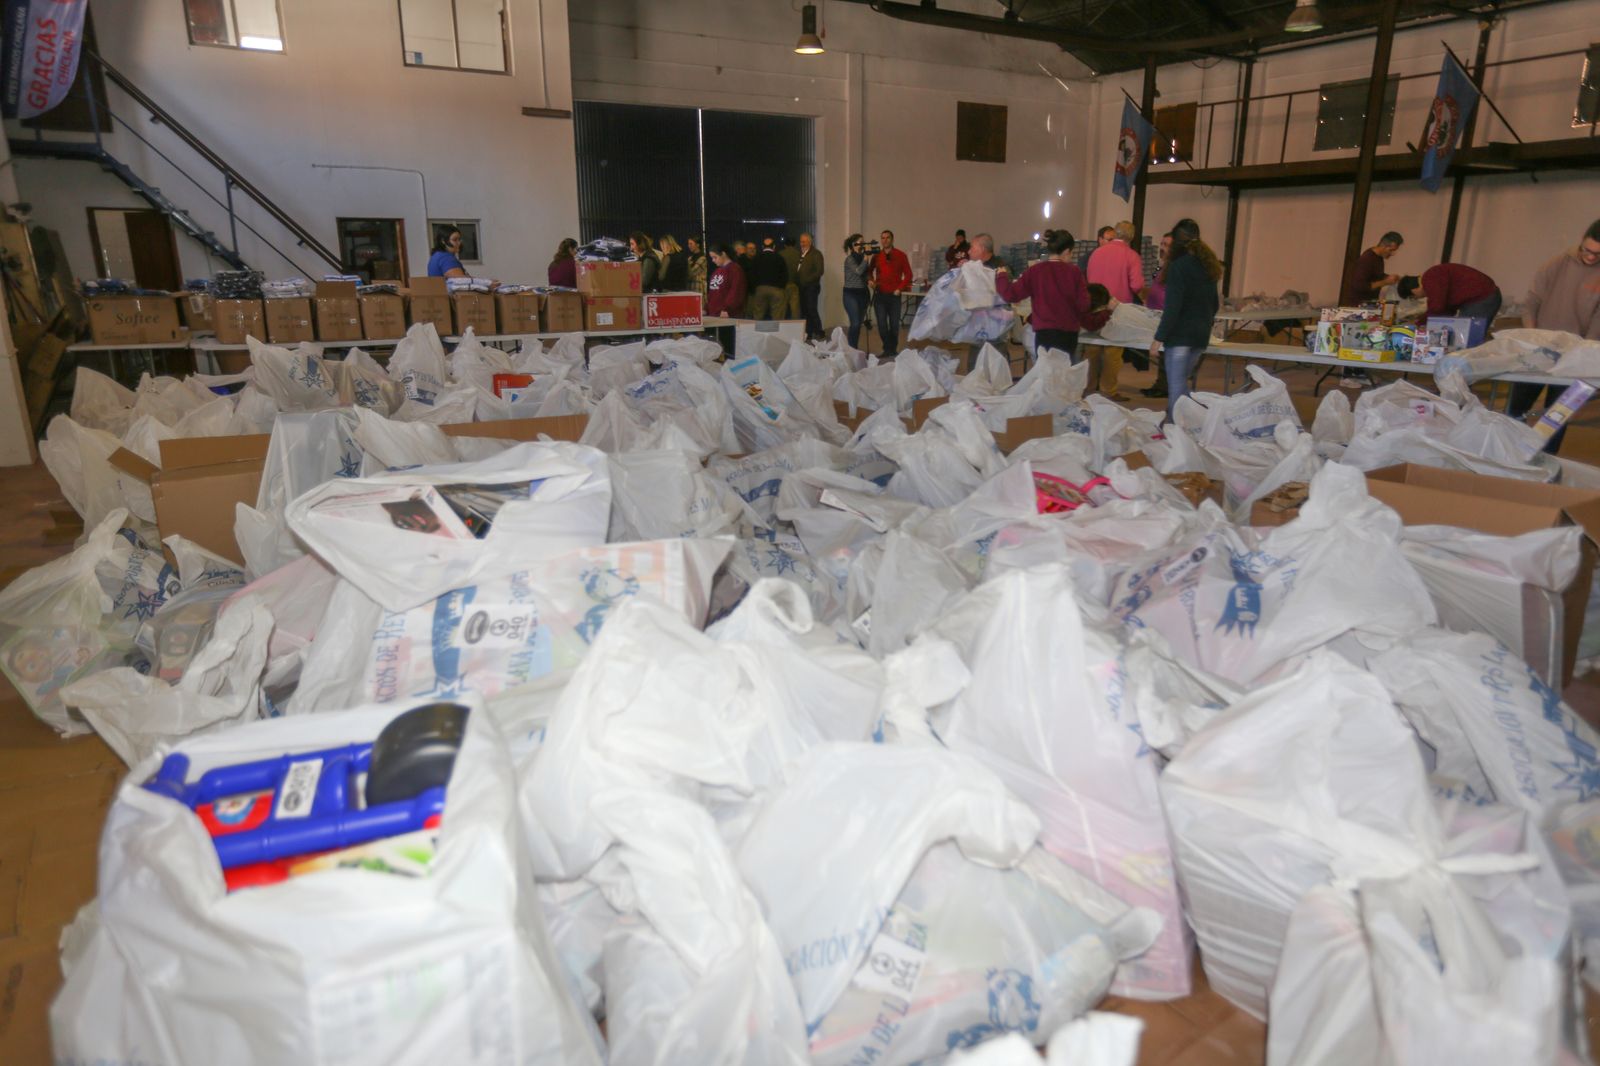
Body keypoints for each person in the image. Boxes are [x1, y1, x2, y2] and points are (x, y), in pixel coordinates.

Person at [1507, 219, 1600, 448]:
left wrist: (1584, 353)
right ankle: (1505, 451)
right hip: (1539, 349)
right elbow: (1531, 302)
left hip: (1574, 354)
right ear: (1581, 243)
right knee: (1516, 409)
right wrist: (1532, 337)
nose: (1590, 257)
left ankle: (1545, 463)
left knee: (1557, 416)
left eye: (1598, 254)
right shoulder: (1557, 263)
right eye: (1587, 250)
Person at [1150, 219, 1222, 423]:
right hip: (1200, 337)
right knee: (1180, 386)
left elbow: (1172, 308)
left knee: (1176, 390)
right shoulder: (1209, 266)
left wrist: (1158, 338)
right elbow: (1214, 304)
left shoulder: (1177, 268)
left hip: (1180, 337)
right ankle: (1180, 424)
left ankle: (1173, 429)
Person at [994, 228, 1095, 364]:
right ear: (1066, 252)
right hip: (1068, 334)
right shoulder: (1075, 272)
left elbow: (1010, 294)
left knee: (1046, 373)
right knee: (1064, 373)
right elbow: (1084, 305)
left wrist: (1001, 275)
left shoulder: (1035, 271)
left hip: (1044, 333)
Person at [1086, 221, 1145, 401]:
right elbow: (1136, 285)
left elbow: (1088, 278)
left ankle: (1088, 387)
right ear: (1132, 237)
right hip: (1117, 309)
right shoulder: (1132, 256)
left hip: (1094, 306)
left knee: (1092, 348)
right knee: (1113, 352)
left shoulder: (1096, 253)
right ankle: (1108, 390)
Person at [1397, 263, 1502, 322]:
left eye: (1413, 297)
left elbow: (1436, 307)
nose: (1418, 298)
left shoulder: (1431, 277)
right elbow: (1446, 309)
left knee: (1465, 338)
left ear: (1413, 290)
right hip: (1485, 297)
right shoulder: (1433, 277)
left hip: (1481, 299)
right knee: (1464, 337)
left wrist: (1418, 325)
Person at [870, 229, 914, 357]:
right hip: (880, 295)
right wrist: (871, 281)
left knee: (894, 326)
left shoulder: (901, 255)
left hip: (894, 296)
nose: (885, 240)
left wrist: (900, 288)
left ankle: (891, 350)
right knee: (882, 325)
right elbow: (869, 271)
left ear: (892, 239)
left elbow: (908, 275)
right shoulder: (877, 256)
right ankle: (887, 349)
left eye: (887, 238)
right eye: (882, 238)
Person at [1141, 232, 1174, 399]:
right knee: (1161, 354)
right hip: (1154, 312)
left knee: (1165, 353)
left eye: (1167, 245)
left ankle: (1164, 386)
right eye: (1162, 244)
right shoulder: (1162, 265)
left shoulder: (1174, 267)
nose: (1162, 248)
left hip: (1164, 313)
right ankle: (1161, 384)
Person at [1341, 231, 1403, 306]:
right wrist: (1385, 282)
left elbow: (1375, 276)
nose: (1392, 254)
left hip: (1368, 304)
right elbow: (1359, 285)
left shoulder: (1378, 257)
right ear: (1383, 245)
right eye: (1391, 250)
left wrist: (1389, 277)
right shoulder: (1367, 259)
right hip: (1359, 306)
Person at [746, 237, 790, 320]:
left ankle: (759, 332)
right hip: (777, 290)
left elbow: (751, 275)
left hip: (760, 290)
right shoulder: (779, 258)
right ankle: (776, 333)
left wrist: (754, 289)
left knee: (758, 316)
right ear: (774, 247)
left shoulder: (756, 258)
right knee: (777, 317)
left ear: (762, 247)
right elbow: (785, 276)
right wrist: (781, 287)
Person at [841, 233, 872, 349]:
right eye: (860, 242)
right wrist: (866, 258)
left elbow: (865, 273)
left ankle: (853, 348)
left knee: (858, 324)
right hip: (850, 294)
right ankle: (851, 349)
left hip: (863, 294)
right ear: (854, 245)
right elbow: (859, 271)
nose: (863, 244)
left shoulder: (863, 257)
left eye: (864, 242)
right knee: (855, 323)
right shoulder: (849, 259)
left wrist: (869, 280)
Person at [795, 231, 825, 340]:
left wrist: (806, 280)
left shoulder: (816, 254)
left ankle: (819, 331)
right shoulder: (800, 253)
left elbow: (819, 271)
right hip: (801, 287)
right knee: (804, 310)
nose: (801, 243)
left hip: (811, 287)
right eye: (800, 241)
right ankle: (809, 332)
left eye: (803, 241)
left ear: (809, 242)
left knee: (811, 309)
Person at [705, 243, 747, 318]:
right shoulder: (716, 271)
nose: (713, 260)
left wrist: (727, 309)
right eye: (712, 258)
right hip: (714, 314)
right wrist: (706, 308)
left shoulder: (735, 270)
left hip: (727, 315)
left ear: (723, 254)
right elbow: (712, 293)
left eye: (715, 257)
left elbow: (736, 292)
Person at [779, 237, 802, 319]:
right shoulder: (799, 254)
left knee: (782, 309)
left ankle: (782, 327)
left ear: (785, 245)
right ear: (794, 244)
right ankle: (796, 327)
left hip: (783, 286)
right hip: (794, 284)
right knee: (795, 309)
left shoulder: (780, 254)